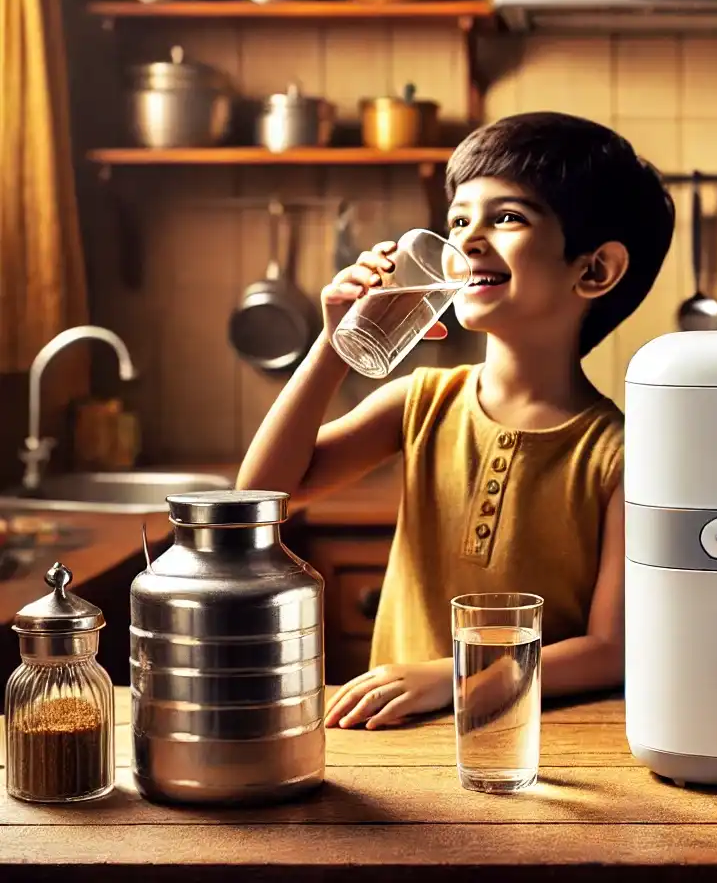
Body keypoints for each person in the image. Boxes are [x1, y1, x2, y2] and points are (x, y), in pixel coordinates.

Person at [236, 111, 675, 730]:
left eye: (507, 217)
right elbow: (259, 499)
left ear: (594, 269)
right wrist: (333, 345)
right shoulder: (418, 402)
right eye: (459, 219)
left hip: (538, 742)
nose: (467, 240)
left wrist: (455, 680)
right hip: (397, 735)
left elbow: (611, 650)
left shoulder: (622, 455)